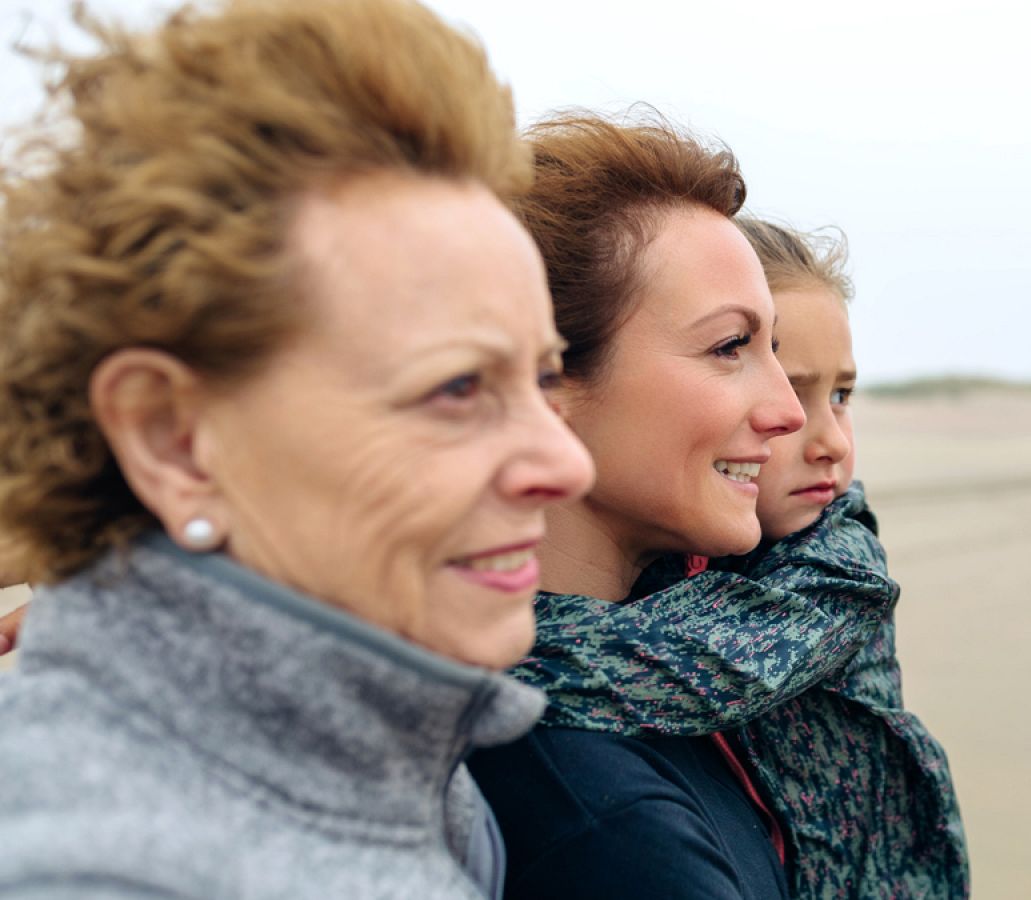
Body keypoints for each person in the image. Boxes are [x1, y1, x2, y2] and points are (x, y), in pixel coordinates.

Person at [0, 1, 593, 896]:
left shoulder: (400, 766)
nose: (566, 465)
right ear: (175, 440)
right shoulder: (95, 871)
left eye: (544, 377)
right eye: (458, 388)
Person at [482, 214, 968, 898]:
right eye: (731, 349)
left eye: (842, 395)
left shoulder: (831, 568)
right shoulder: (609, 801)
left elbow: (681, 664)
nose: (810, 428)